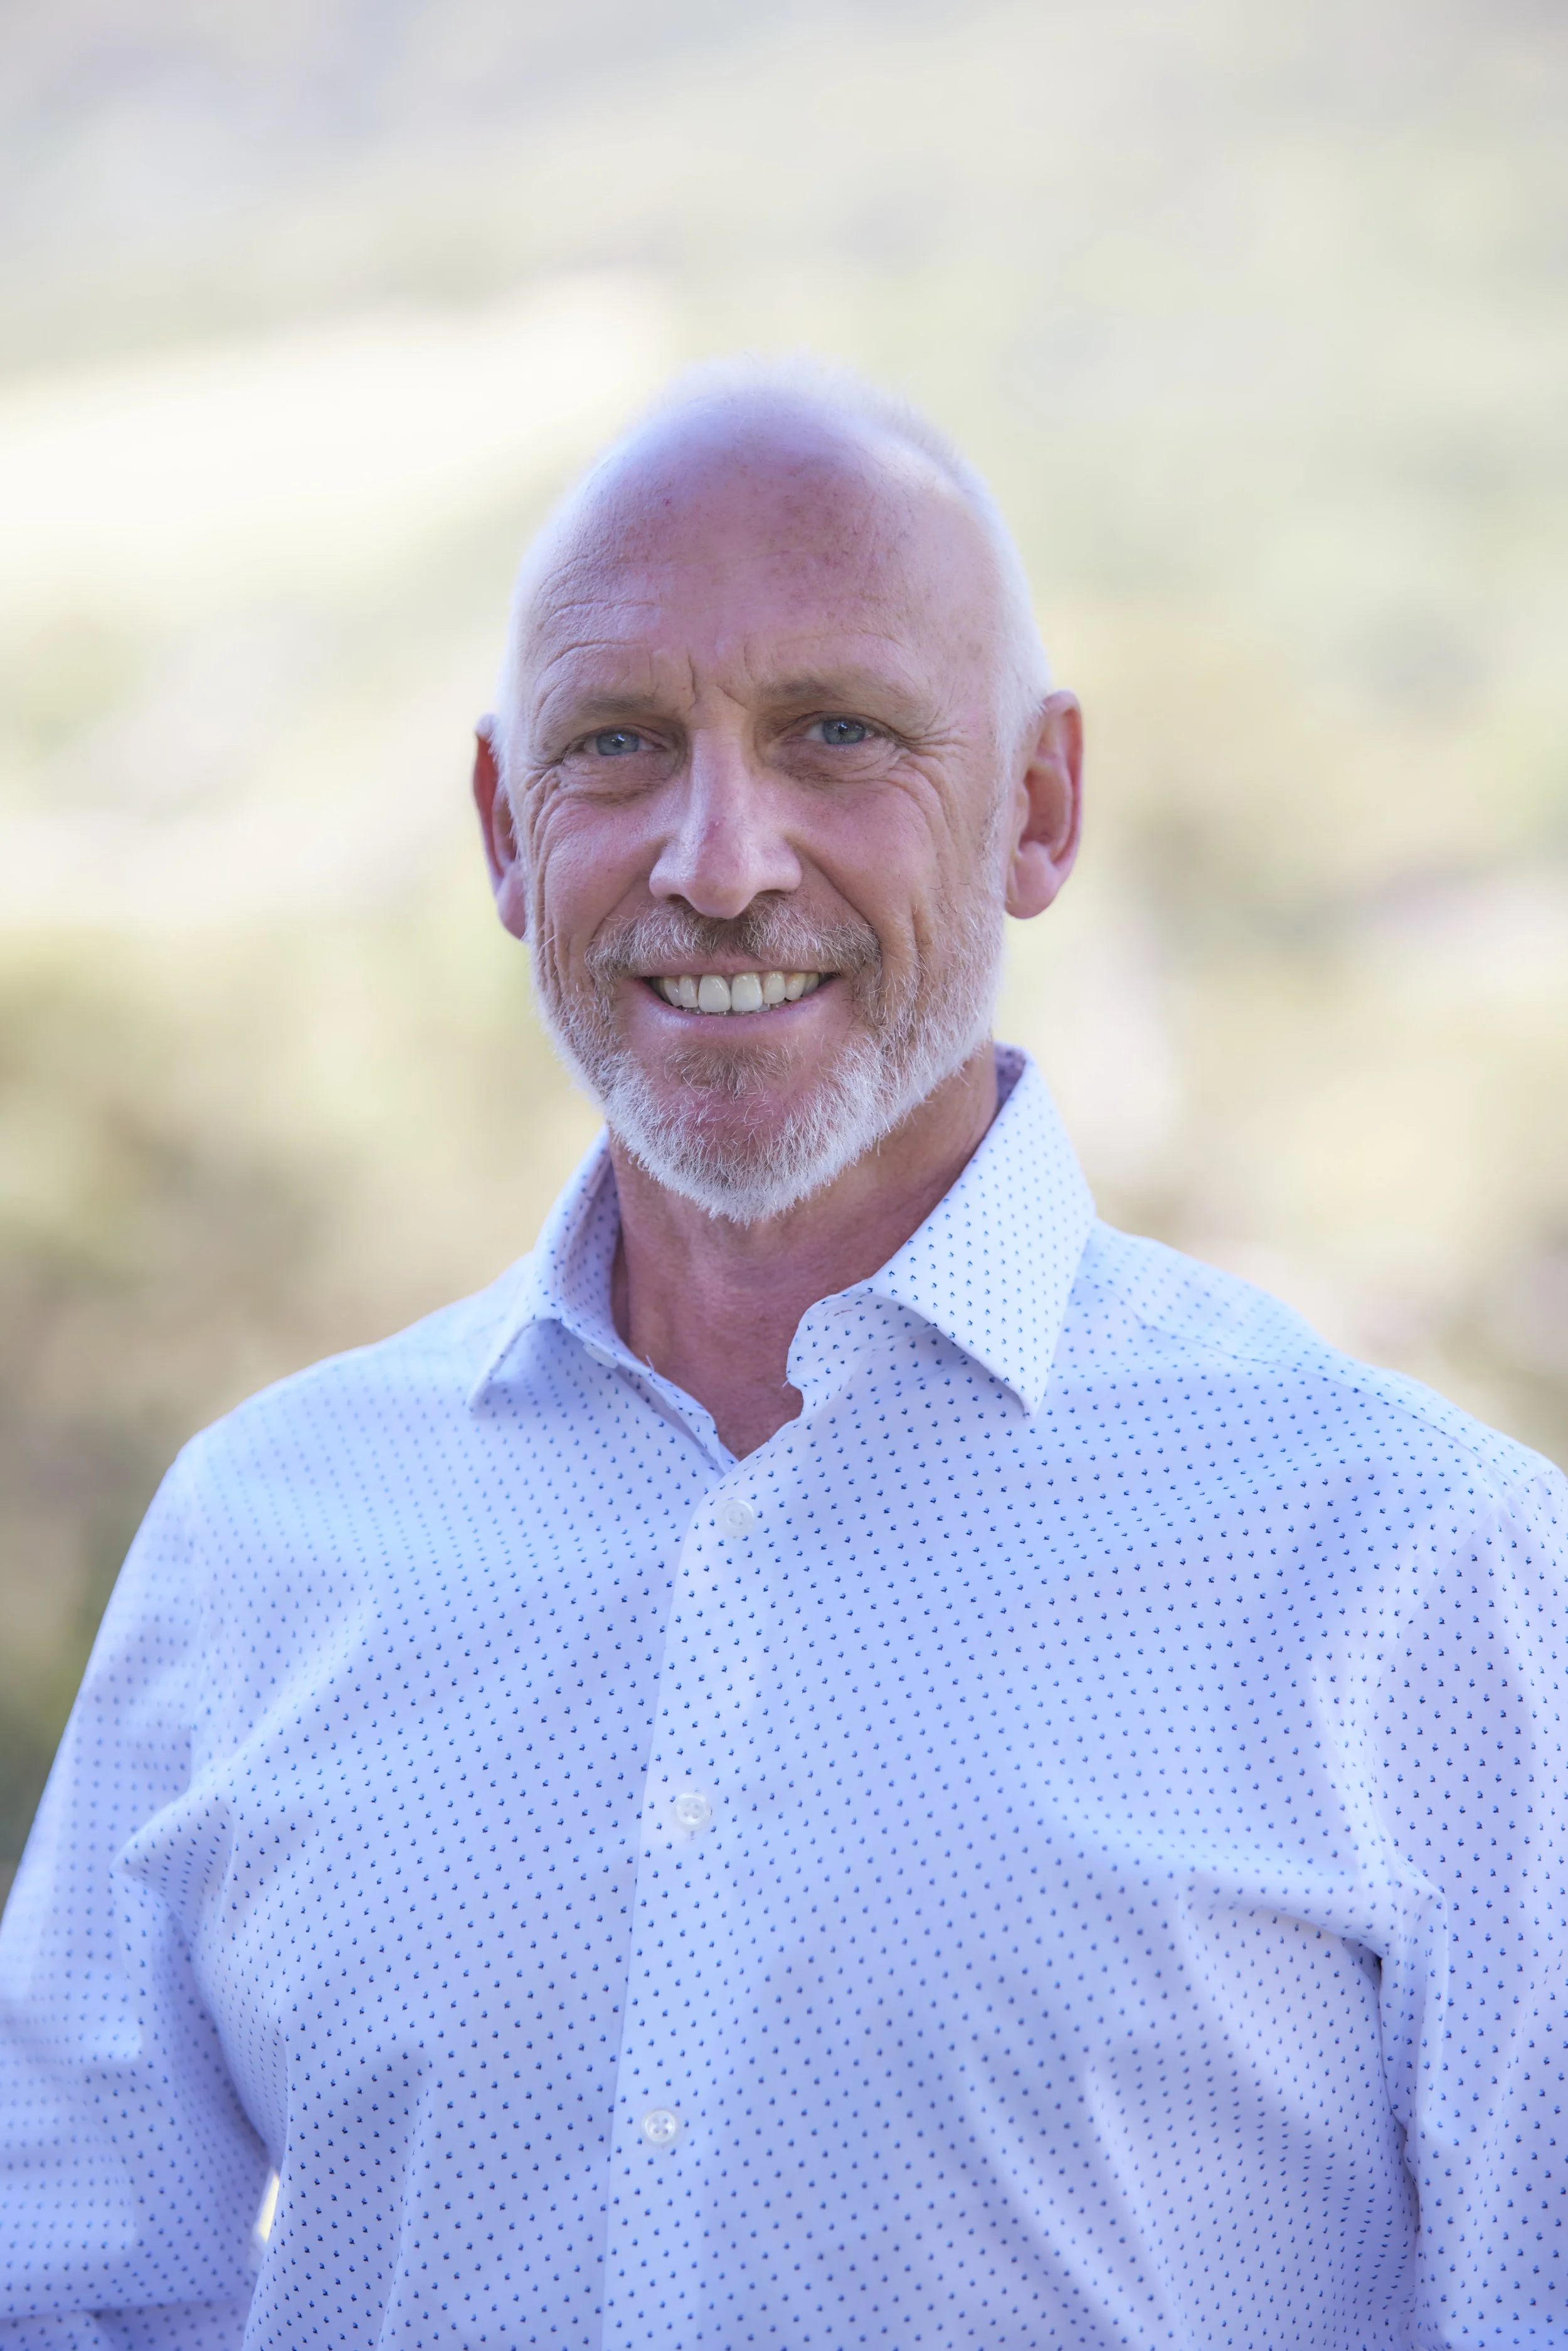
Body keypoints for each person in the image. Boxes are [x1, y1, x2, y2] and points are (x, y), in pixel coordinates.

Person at [2, 361, 1565, 2351]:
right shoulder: (261, 1541)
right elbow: (57, 2293)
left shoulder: (1425, 1578)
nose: (719, 860)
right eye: (619, 745)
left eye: (836, 734)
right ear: (501, 826)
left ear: (1039, 804)